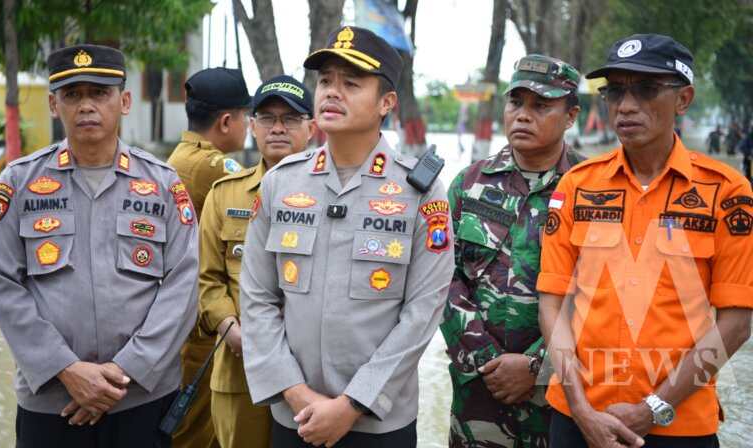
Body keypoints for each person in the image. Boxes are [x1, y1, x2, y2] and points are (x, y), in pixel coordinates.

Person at [239, 26, 455, 447]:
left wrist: (354, 403)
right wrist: (295, 392)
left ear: (386, 103)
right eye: (325, 81)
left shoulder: (420, 191)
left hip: (378, 424)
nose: (331, 93)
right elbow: (257, 297)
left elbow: (423, 311)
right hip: (295, 417)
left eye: (351, 84)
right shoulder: (281, 182)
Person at [537, 34, 753, 448]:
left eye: (647, 89)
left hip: (679, 425)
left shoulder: (726, 193)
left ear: (684, 99)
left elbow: (736, 325)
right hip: (577, 420)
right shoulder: (578, 186)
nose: (626, 105)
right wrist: (580, 409)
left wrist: (653, 408)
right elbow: (552, 305)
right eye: (615, 91)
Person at [0, 44, 198, 447]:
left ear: (124, 101)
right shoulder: (19, 183)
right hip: (51, 399)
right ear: (53, 104)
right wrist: (66, 369)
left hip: (140, 398)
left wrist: (124, 373)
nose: (86, 106)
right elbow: (2, 284)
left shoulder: (163, 184)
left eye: (99, 93)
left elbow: (183, 286)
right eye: (72, 94)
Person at [441, 54, 584, 448]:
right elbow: (441, 276)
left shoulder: (592, 188)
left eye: (541, 105)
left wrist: (537, 366)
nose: (523, 115)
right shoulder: (469, 184)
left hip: (559, 394)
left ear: (571, 116)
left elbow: (598, 290)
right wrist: (487, 360)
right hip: (478, 393)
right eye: (516, 102)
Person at [198, 75, 316, 448]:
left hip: (312, 377)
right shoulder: (224, 195)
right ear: (252, 126)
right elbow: (206, 279)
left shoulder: (334, 197)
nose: (277, 128)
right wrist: (227, 325)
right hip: (240, 373)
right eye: (267, 118)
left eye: (290, 118)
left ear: (312, 128)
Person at [166, 67, 250, 448]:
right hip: (204, 328)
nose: (250, 126)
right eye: (248, 117)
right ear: (227, 121)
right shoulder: (213, 167)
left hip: (185, 318)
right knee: (198, 432)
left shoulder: (180, 156)